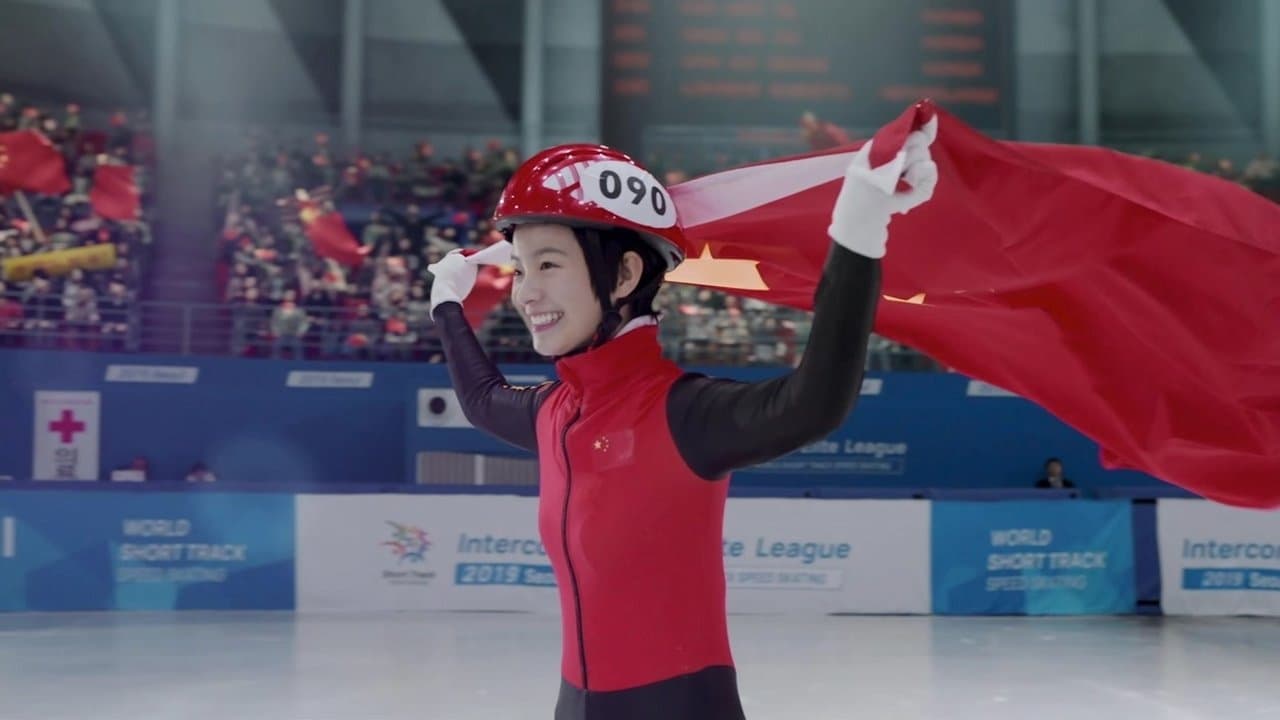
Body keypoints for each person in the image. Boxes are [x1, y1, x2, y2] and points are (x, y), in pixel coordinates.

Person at [427, 130, 937, 719]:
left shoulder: (682, 413)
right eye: (519, 269)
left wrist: (857, 232)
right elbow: (483, 400)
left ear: (623, 276)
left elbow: (813, 402)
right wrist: (447, 304)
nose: (526, 293)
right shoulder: (557, 413)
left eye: (548, 264)